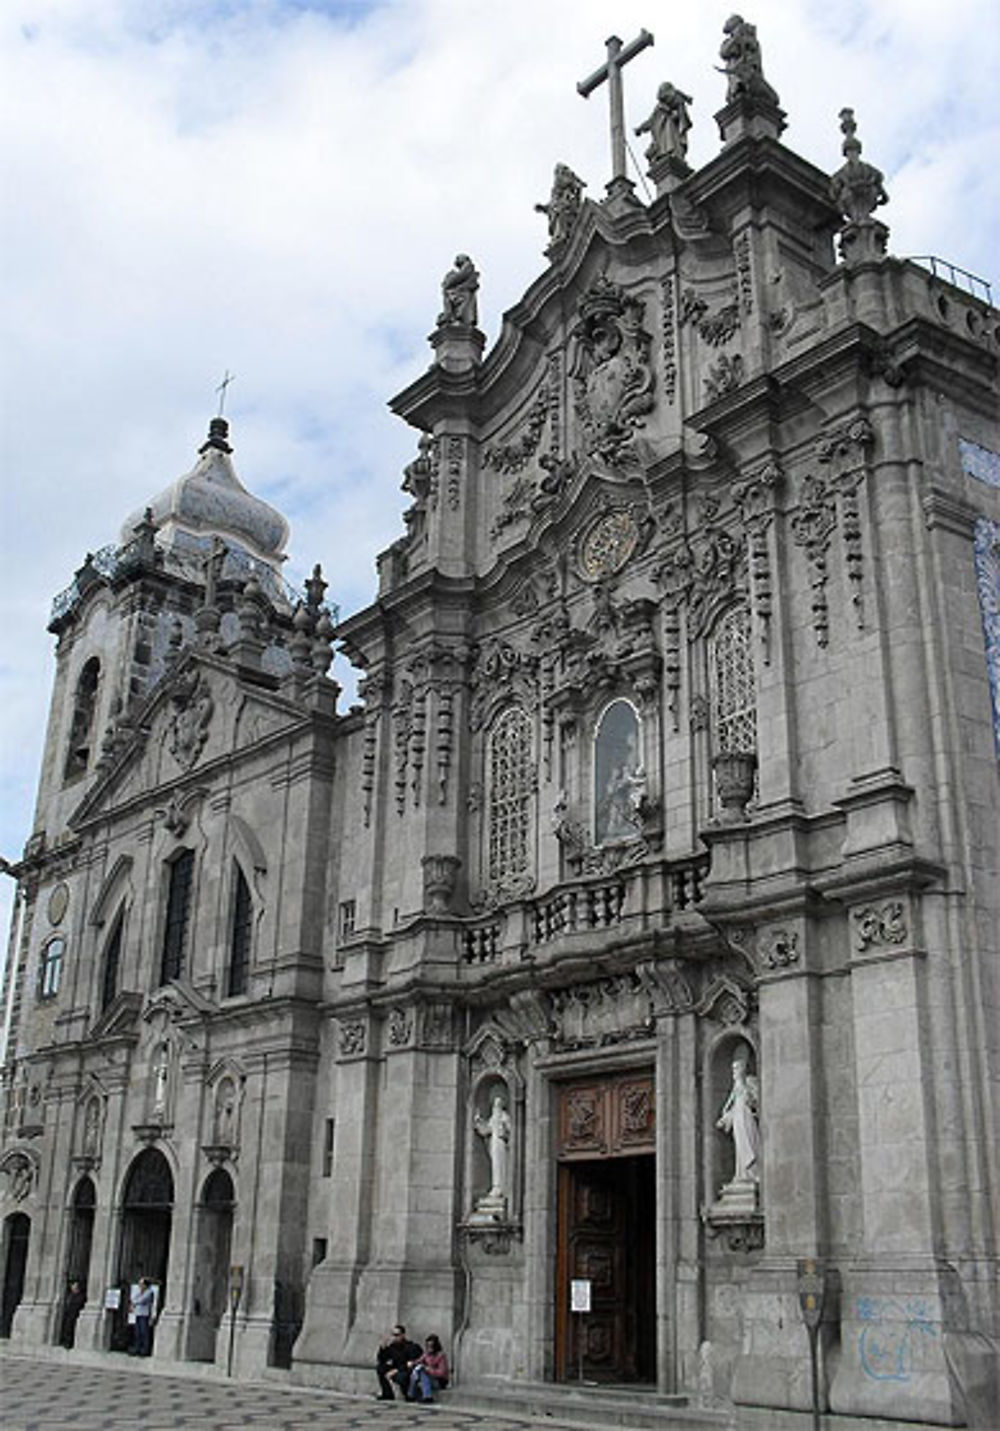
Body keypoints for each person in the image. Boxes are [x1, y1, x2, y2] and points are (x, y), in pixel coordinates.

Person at [716, 1047, 761, 1184]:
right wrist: (725, 1118)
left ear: (743, 1068)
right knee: (740, 1147)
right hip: (738, 1118)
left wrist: (747, 1092)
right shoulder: (736, 1087)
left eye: (736, 1069)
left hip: (747, 1117)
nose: (734, 1072)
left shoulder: (749, 1081)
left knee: (750, 1141)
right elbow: (731, 1106)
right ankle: (742, 1173)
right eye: (733, 1069)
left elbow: (756, 1101)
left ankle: (753, 1172)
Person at [375, 1323, 422, 1401]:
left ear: (403, 1335)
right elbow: (382, 1359)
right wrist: (382, 1348)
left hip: (405, 1370)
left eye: (397, 1335)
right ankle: (387, 1393)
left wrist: (396, 1370)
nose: (395, 1337)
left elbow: (411, 1363)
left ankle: (408, 1393)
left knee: (401, 1377)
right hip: (396, 1368)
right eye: (393, 1335)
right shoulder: (392, 1347)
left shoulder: (410, 1347)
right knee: (380, 1368)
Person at [407, 1333, 450, 1404]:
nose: (429, 1348)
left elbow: (441, 1373)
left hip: (440, 1381)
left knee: (424, 1374)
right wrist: (412, 1363)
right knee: (417, 1371)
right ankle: (411, 1394)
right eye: (427, 1346)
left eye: (431, 1346)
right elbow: (418, 1361)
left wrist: (429, 1370)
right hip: (430, 1377)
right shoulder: (426, 1354)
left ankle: (427, 1396)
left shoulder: (441, 1356)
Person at [130, 1276, 155, 1356]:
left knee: (144, 1332)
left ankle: (144, 1349)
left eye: (141, 1284)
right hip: (138, 1313)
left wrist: (135, 1302)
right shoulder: (140, 1291)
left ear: (145, 1285)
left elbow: (141, 1300)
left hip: (145, 1314)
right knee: (137, 1332)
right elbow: (133, 1299)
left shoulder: (149, 1292)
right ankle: (137, 1348)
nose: (139, 1286)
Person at [59, 1279, 85, 1348]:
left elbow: (79, 1305)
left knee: (70, 1328)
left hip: (74, 1315)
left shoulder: (80, 1296)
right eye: (72, 1286)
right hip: (68, 1314)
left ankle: (69, 1342)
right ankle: (65, 1341)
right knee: (67, 1328)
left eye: (74, 1286)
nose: (72, 1287)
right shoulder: (70, 1295)